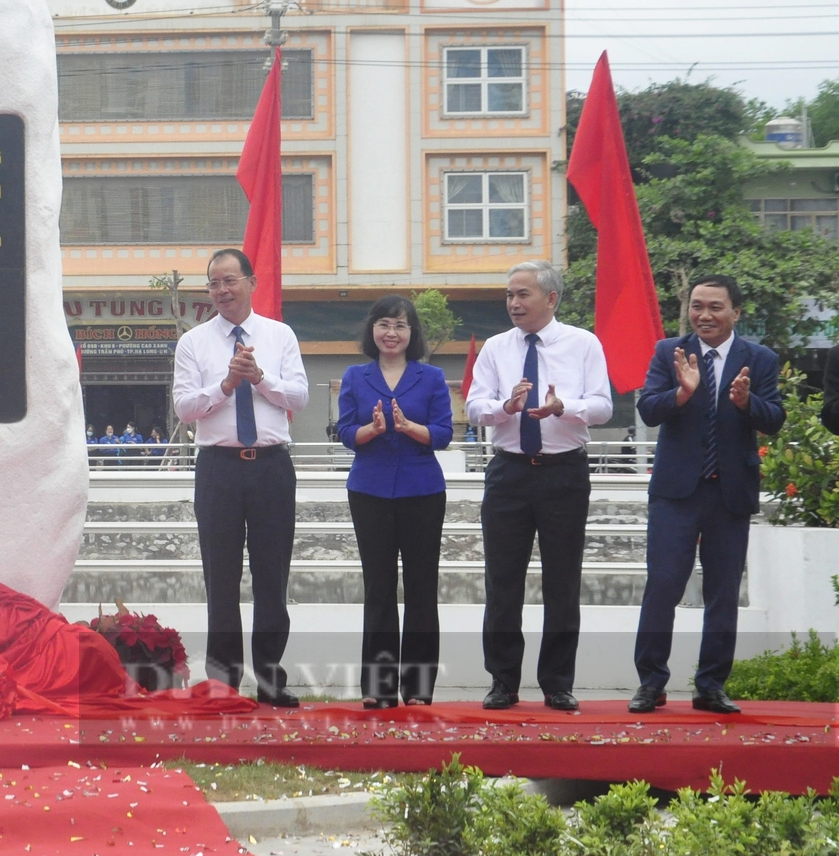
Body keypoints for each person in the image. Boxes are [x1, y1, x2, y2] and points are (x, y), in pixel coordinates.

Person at [631, 277, 784, 715]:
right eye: (697, 306)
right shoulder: (670, 352)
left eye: (715, 307)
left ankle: (711, 685)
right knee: (662, 587)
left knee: (722, 592)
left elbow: (774, 418)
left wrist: (745, 402)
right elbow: (648, 408)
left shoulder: (760, 358)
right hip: (676, 492)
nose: (704, 315)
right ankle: (651, 683)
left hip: (729, 491)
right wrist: (682, 392)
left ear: (736, 311)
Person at [464, 259, 612, 712]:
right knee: (502, 581)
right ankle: (503, 681)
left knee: (562, 582)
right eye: (509, 294)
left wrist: (564, 407)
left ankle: (557, 683)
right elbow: (473, 406)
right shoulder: (495, 347)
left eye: (523, 294)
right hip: (509, 472)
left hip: (564, 472)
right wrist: (505, 407)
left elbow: (604, 407)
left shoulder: (583, 344)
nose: (513, 303)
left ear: (550, 298)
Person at [171, 247, 310, 706]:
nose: (222, 290)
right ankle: (223, 683)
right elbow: (185, 407)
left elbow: (300, 396)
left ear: (251, 282)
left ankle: (271, 679)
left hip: (271, 467)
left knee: (273, 576)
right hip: (218, 469)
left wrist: (259, 378)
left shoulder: (280, 335)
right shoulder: (193, 342)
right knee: (221, 578)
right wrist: (226, 386)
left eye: (230, 280)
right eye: (213, 283)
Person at [334, 296, 453, 708]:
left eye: (400, 326)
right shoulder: (355, 375)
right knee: (379, 588)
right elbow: (346, 433)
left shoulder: (432, 377)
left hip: (423, 490)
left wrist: (409, 427)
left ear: (411, 334)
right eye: (384, 323)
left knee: (422, 588)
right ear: (372, 330)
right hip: (370, 490)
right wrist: (371, 429)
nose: (391, 333)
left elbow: (443, 433)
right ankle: (379, 689)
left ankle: (418, 689)